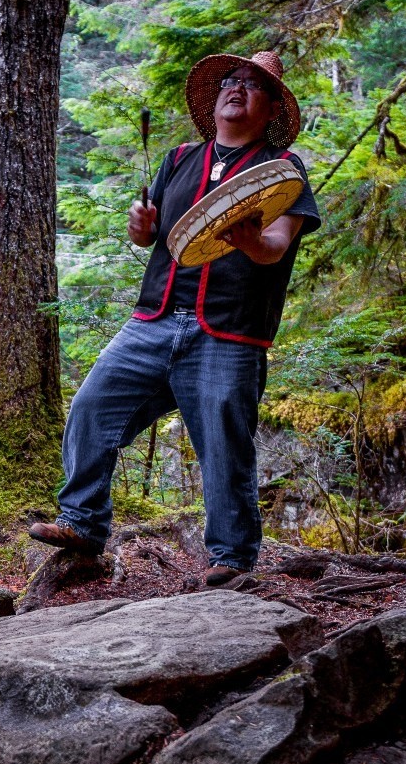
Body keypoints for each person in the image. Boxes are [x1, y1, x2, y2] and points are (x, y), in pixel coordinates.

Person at [30, 50, 321, 586]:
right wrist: (138, 225)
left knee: (223, 446)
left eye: (253, 86)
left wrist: (251, 241)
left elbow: (276, 247)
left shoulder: (281, 172)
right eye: (230, 81)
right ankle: (84, 525)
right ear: (214, 98)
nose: (237, 89)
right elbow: (150, 238)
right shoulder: (180, 158)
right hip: (154, 318)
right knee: (93, 407)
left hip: (228, 330)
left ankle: (231, 561)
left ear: (272, 106)